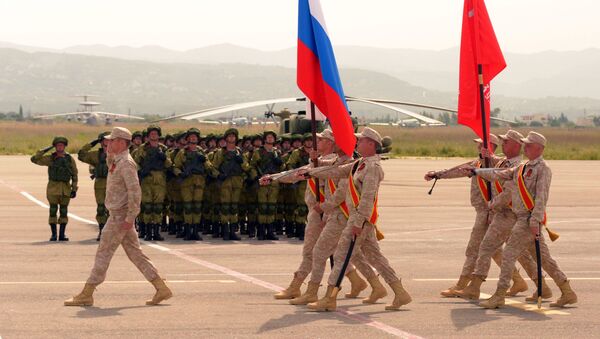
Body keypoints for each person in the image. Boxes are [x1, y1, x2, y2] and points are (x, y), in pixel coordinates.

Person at [303, 127, 411, 311]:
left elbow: (368, 198)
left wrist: (358, 223)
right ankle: (400, 293)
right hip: (360, 221)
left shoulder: (373, 168)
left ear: (371, 144)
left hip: (359, 220)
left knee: (340, 256)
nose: (357, 143)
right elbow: (336, 172)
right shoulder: (359, 163)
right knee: (376, 259)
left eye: (360, 141)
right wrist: (311, 172)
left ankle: (330, 298)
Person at [64, 127, 172, 307]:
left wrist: (130, 218)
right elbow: (110, 166)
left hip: (120, 217)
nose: (109, 143)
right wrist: (109, 153)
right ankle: (161, 288)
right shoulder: (117, 160)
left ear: (122, 142)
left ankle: (87, 292)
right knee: (136, 254)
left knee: (103, 253)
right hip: (118, 215)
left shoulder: (127, 164)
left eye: (112, 140)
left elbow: (135, 192)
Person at [469, 132, 577, 309]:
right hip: (523, 219)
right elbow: (499, 174)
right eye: (525, 144)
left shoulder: (543, 169)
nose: (525, 147)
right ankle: (567, 292)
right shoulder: (522, 167)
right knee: (544, 259)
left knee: (509, 255)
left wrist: (535, 222)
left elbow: (542, 198)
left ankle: (499, 295)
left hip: (528, 221)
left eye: (528, 145)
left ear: (539, 149)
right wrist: (476, 171)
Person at [424, 135, 528, 297]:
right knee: (493, 250)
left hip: (492, 212)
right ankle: (518, 280)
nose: (478, 148)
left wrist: (491, 210)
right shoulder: (478, 164)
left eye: (481, 146)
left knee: (475, 249)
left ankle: (463, 284)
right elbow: (458, 170)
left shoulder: (498, 165)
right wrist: (437, 174)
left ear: (490, 147)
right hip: (485, 212)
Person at [31, 136, 78, 241]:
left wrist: (74, 189)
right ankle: (53, 235)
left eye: (61, 145)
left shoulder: (69, 159)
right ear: (55, 146)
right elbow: (34, 159)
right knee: (53, 211)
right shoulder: (51, 158)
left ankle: (62, 234)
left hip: (65, 189)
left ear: (65, 146)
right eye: (57, 145)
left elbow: (75, 174)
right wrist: (47, 148)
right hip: (53, 188)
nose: (60, 147)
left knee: (64, 211)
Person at [78, 132, 111, 241]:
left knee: (113, 209)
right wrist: (93, 143)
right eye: (105, 140)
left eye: (110, 139)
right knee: (101, 208)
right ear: (101, 142)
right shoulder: (96, 155)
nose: (108, 142)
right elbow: (81, 154)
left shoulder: (118, 153)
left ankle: (112, 232)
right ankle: (102, 230)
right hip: (100, 184)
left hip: (114, 184)